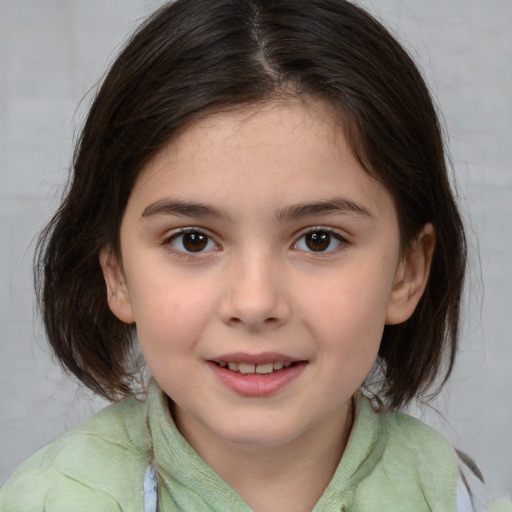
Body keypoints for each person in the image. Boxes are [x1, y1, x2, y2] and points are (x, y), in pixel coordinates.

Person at [0, 0, 504, 510]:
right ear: (117, 275)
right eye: (192, 240)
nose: (256, 301)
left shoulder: (446, 492)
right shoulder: (58, 500)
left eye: (319, 239)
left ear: (407, 273)